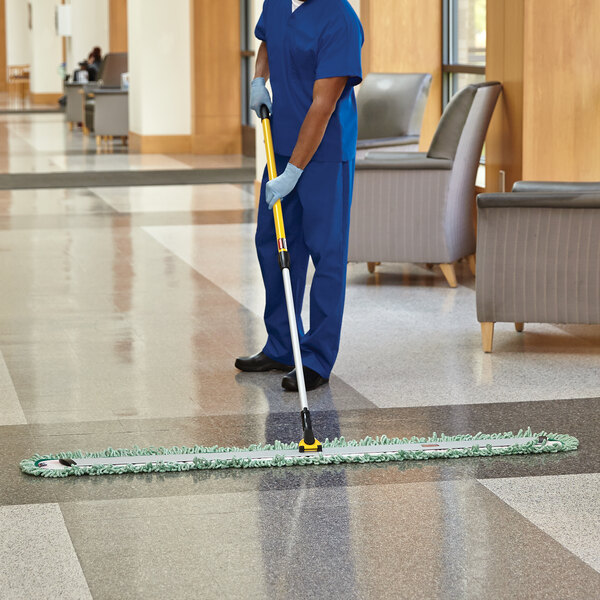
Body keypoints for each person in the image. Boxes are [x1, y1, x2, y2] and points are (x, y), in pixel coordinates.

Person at [235, 0, 364, 391]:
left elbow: (323, 106)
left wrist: (294, 173)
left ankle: (316, 358)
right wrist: (260, 79)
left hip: (324, 153)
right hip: (281, 143)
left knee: (326, 255)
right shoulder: (276, 2)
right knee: (271, 246)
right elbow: (268, 42)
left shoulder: (340, 19)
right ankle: (282, 346)